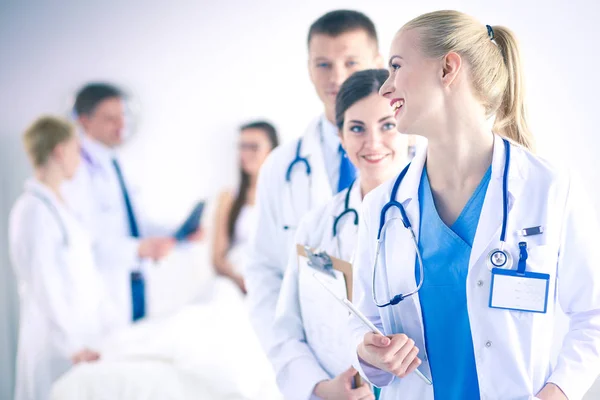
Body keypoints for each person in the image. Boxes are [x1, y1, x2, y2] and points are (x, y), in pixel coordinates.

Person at [350, 10, 600, 400]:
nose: (385, 88)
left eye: (396, 67)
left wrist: (558, 392)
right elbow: (363, 321)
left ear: (448, 68)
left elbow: (593, 316)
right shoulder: (382, 207)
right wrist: (370, 352)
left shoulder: (548, 188)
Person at [245, 9, 383, 356]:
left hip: (398, 367)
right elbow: (265, 274)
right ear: (308, 68)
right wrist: (303, 375)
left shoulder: (416, 156)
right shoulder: (280, 166)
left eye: (352, 62)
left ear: (379, 62)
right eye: (323, 64)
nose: (337, 77)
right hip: (320, 363)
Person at [272, 69, 409, 400]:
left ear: (408, 128)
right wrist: (321, 388)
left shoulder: (437, 215)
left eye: (387, 125)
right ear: (341, 137)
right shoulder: (317, 225)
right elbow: (287, 329)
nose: (372, 142)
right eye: (357, 128)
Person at [62, 83, 201, 326]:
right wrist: (138, 249)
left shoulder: (118, 163)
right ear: (84, 121)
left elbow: (135, 221)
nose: (121, 125)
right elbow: (85, 243)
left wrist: (177, 234)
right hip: (104, 289)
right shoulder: (78, 172)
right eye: (110, 119)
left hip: (134, 281)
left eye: (123, 116)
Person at [9, 116, 118, 400]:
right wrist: (71, 346)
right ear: (59, 152)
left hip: (81, 338)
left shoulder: (60, 205)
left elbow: (83, 275)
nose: (80, 160)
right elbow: (44, 285)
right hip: (56, 346)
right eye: (77, 150)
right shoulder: (32, 211)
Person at [212, 121, 279, 294]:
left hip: (270, 286)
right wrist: (240, 281)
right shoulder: (228, 197)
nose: (245, 153)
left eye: (253, 147)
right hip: (234, 285)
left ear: (271, 151)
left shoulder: (284, 198)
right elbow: (218, 258)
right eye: (242, 146)